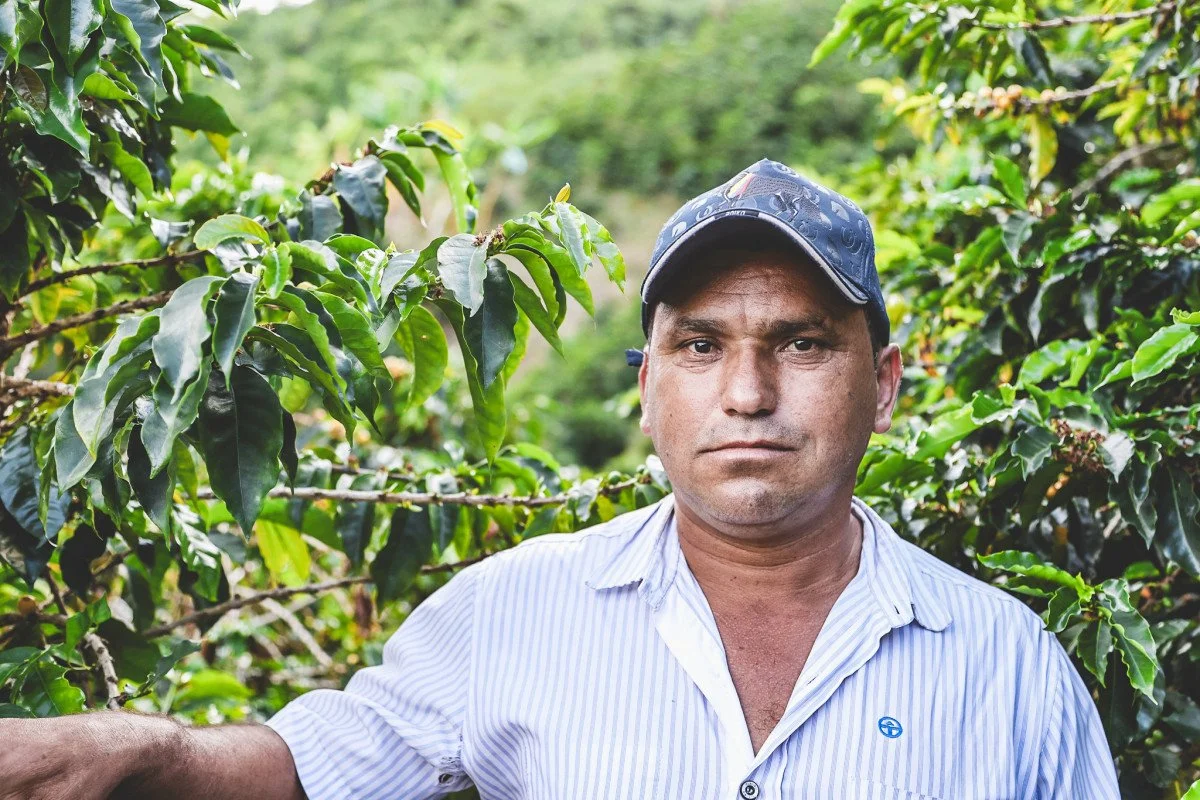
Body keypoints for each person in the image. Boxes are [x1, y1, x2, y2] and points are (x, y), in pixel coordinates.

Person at [0, 159, 1118, 800]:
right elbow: (316, 765)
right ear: (646, 390)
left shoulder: (1008, 667)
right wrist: (148, 744)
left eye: (803, 341)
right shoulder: (515, 610)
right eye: (699, 345)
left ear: (883, 384)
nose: (747, 391)